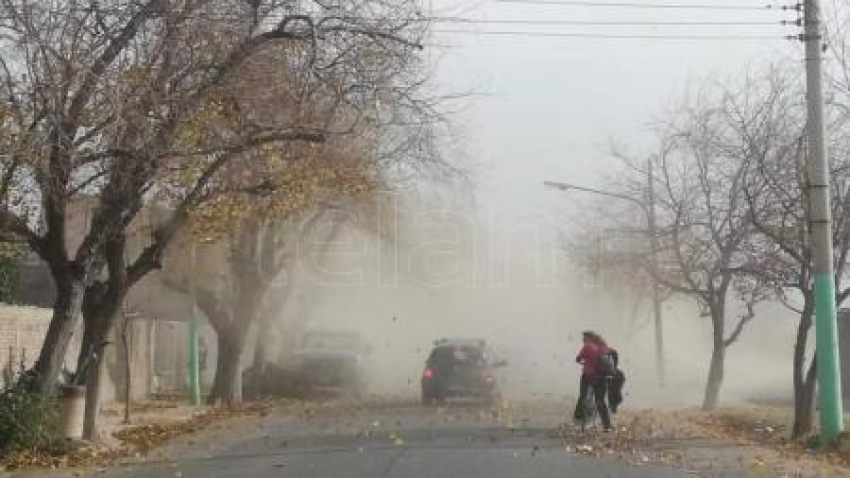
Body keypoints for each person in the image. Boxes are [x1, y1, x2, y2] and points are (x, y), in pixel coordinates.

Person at [573, 331, 613, 431]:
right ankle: (607, 426)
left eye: (584, 338)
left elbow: (578, 359)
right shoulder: (603, 346)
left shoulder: (587, 346)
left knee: (583, 396)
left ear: (588, 337)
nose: (582, 340)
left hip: (589, 376)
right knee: (600, 401)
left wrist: (582, 361)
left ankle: (579, 418)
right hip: (603, 377)